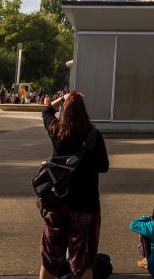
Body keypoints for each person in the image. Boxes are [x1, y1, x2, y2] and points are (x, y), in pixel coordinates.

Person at [38, 91, 109, 279]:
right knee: (83, 259)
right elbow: (104, 166)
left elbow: (46, 111)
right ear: (84, 112)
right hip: (85, 204)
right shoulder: (93, 135)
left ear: (64, 110)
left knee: (50, 257)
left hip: (57, 202)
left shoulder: (56, 130)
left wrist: (63, 98)